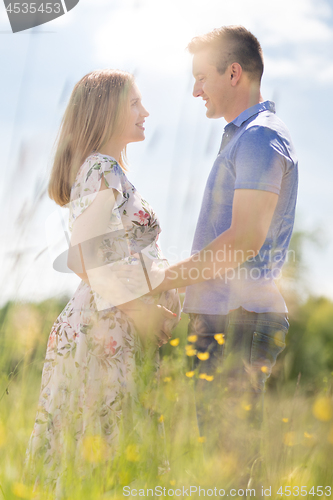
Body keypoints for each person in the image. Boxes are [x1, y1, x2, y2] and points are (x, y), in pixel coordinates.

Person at [122, 25, 298, 487]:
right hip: (224, 317)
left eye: (202, 76)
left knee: (234, 470)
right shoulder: (242, 139)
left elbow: (243, 241)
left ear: (233, 73)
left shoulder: (259, 139)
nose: (194, 89)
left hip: (239, 319)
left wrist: (160, 279)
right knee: (225, 467)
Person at [24, 69, 181, 491]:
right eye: (134, 103)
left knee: (97, 463)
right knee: (103, 465)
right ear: (107, 111)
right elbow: (84, 258)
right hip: (104, 328)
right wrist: (141, 312)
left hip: (107, 327)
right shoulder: (103, 168)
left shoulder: (104, 171)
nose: (145, 111)